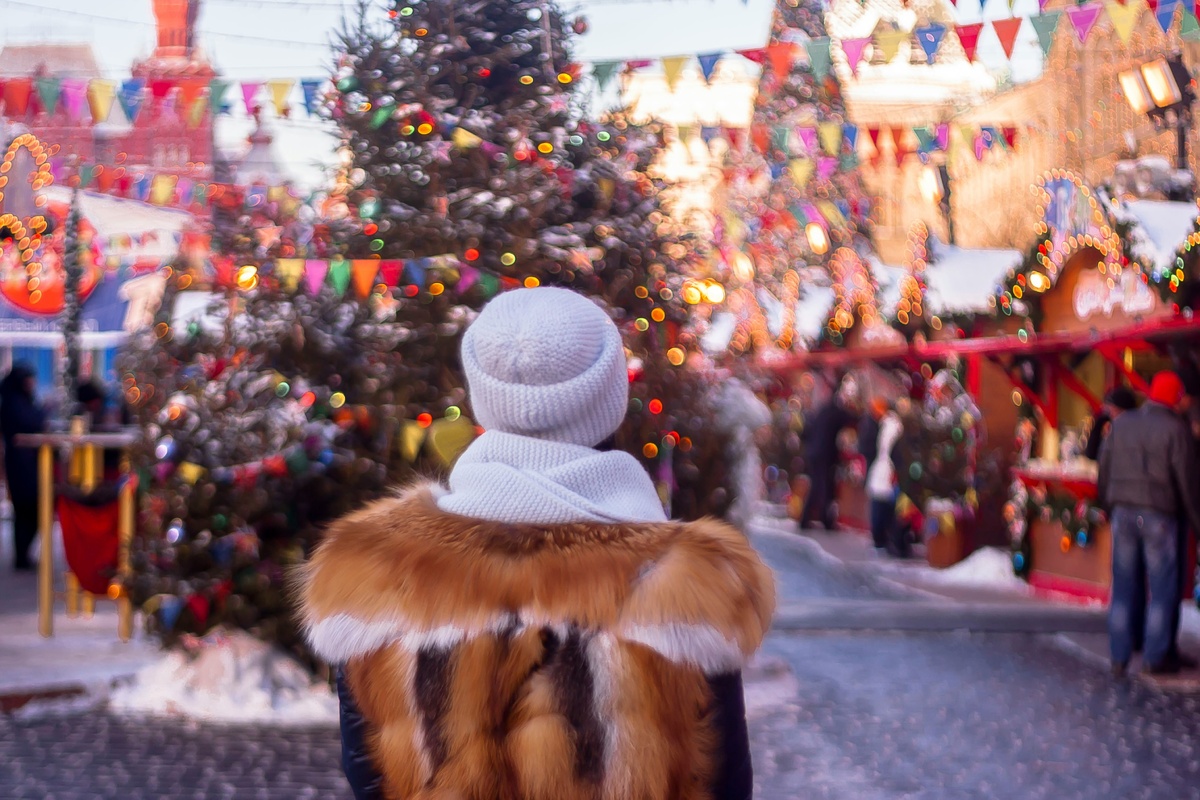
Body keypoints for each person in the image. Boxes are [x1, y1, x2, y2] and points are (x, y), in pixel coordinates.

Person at [298, 287, 775, 800]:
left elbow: (370, 774)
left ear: (484, 395)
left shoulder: (374, 571)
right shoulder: (688, 582)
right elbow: (725, 784)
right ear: (608, 397)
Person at [1099, 371, 1200, 676]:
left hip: (1123, 513)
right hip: (1159, 515)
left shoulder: (1122, 424)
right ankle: (1155, 658)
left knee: (1123, 588)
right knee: (1162, 590)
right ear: (1175, 398)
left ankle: (1119, 657)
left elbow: (1104, 468)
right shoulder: (1176, 429)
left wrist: (1107, 505)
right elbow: (1187, 482)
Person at [1, 363, 45, 571]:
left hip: (23, 463)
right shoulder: (14, 403)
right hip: (22, 465)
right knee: (27, 509)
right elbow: (32, 422)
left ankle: (23, 554)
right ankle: (22, 555)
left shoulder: (18, 400)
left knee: (25, 511)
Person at [800, 386, 856, 531]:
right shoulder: (836, 412)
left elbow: (805, 431)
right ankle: (825, 520)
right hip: (824, 454)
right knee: (823, 486)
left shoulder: (821, 410)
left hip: (813, 453)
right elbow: (853, 418)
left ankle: (806, 519)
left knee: (816, 485)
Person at [865, 400, 903, 554]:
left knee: (880, 506)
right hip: (887, 471)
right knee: (886, 507)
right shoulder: (893, 425)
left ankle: (880, 540)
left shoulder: (887, 425)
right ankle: (884, 540)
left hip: (884, 470)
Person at [1083, 386, 1137, 461]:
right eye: (1108, 411)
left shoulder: (1133, 434)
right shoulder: (1112, 431)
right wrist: (1100, 422)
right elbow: (1091, 454)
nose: (1110, 415)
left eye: (1114, 410)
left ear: (1125, 411)